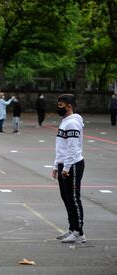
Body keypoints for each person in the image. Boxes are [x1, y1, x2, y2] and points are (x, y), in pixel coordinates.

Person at [52, 94, 86, 244]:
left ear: (69, 106)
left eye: (61, 105)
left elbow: (72, 148)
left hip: (72, 165)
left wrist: (65, 168)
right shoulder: (65, 122)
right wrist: (56, 165)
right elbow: (61, 147)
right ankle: (72, 228)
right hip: (64, 164)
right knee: (66, 198)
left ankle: (79, 232)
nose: (58, 107)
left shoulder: (72, 123)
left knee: (73, 198)